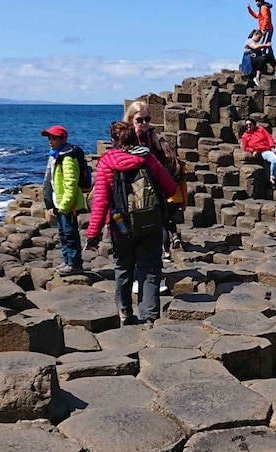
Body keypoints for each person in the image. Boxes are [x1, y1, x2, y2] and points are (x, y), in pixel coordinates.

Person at [85, 122, 176, 326]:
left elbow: (100, 201)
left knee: (123, 268)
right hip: (150, 223)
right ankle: (150, 317)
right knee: (150, 269)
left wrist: (93, 234)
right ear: (134, 138)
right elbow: (170, 189)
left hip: (120, 225)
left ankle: (125, 311)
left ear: (113, 140)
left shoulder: (106, 162)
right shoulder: (148, 157)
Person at [125, 100, 187, 259]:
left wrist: (157, 147)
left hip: (153, 189)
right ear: (131, 119)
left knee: (155, 227)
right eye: (140, 120)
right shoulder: (126, 140)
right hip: (133, 190)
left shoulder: (151, 138)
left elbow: (161, 165)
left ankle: (157, 259)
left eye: (147, 119)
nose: (144, 123)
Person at [41, 125, 86, 276]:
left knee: (70, 234)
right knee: (63, 233)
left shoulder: (67, 158)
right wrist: (52, 203)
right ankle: (67, 261)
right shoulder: (55, 156)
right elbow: (53, 182)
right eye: (49, 138)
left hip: (68, 205)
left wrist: (65, 205)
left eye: (54, 138)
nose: (50, 141)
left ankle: (74, 264)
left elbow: (70, 184)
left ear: (63, 139)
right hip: (59, 202)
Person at [246, 0, 276, 73]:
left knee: (264, 45)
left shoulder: (263, 8)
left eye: (257, 1)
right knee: (265, 44)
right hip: (266, 28)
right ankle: (268, 60)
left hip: (266, 28)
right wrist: (250, 10)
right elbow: (258, 17)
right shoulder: (262, 8)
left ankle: (264, 61)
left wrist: (263, 29)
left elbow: (266, 19)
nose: (256, 3)